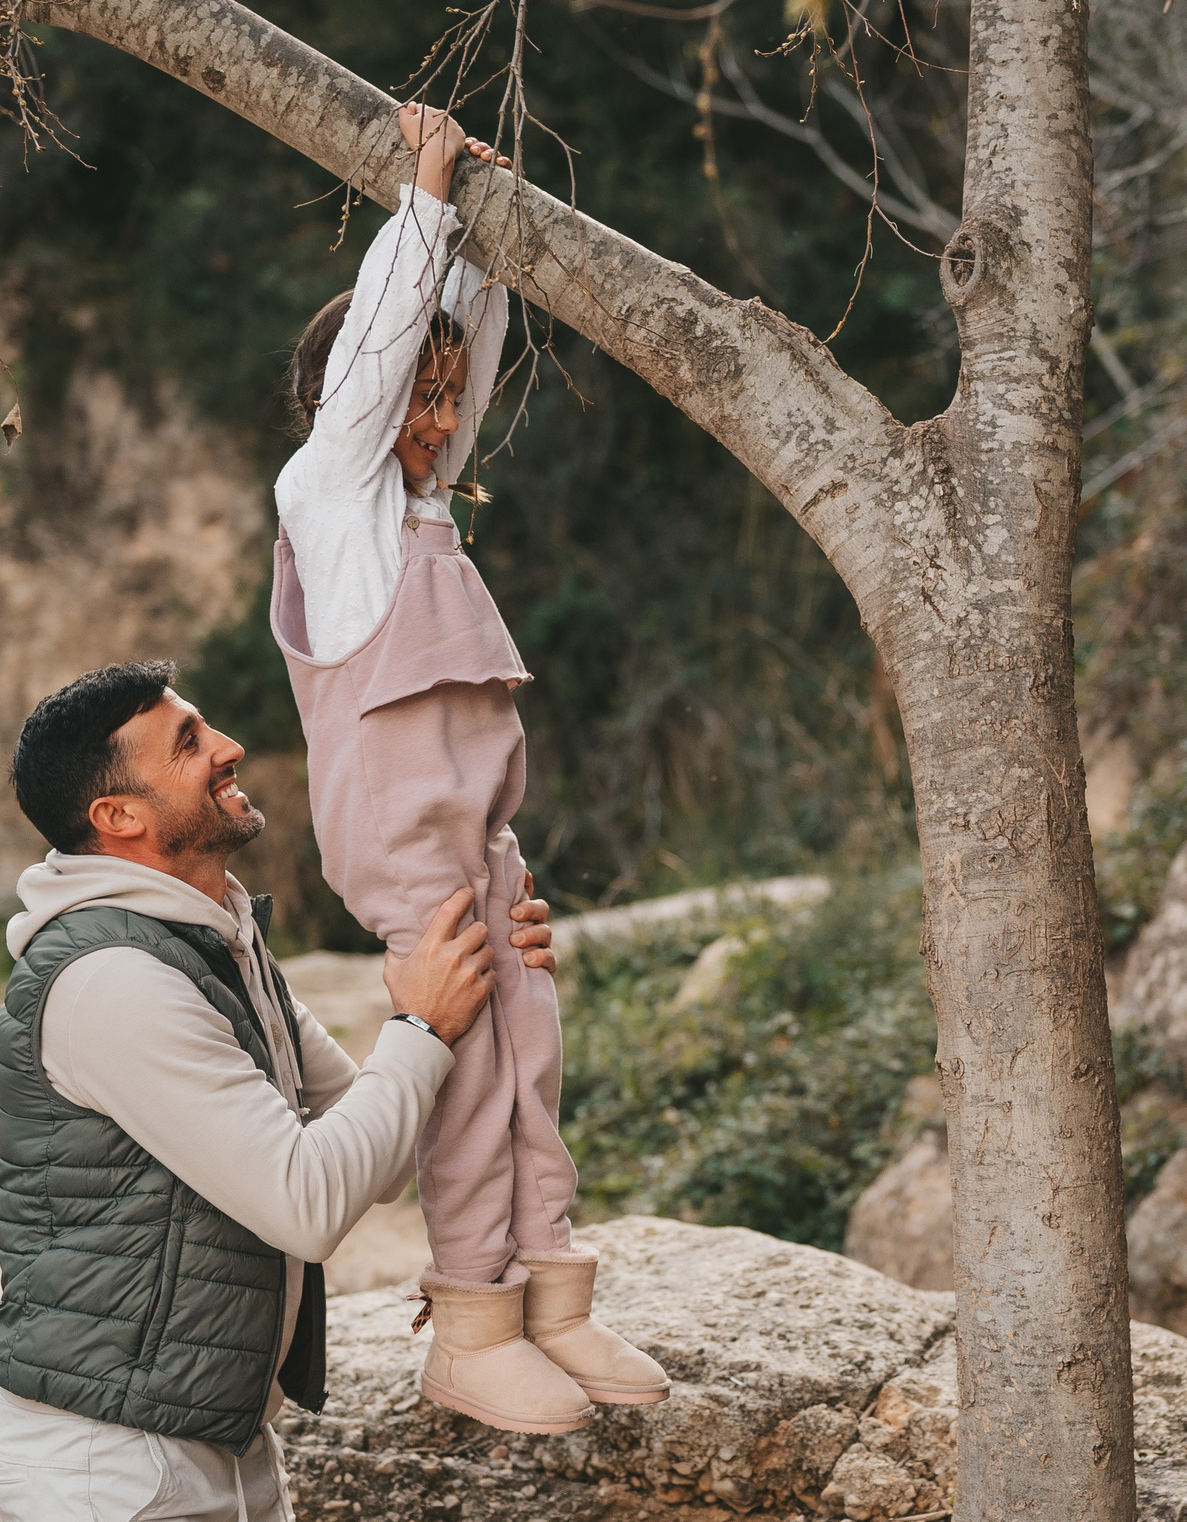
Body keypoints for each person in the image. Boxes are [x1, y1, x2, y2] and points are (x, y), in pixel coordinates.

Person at [0, 660, 559, 1522]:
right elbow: (310, 1198)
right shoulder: (113, 982)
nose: (228, 747)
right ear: (119, 815)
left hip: (228, 1446)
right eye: (189, 743)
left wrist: (494, 985)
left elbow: (365, 1133)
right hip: (125, 1475)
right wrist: (421, 1024)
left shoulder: (215, 938)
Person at [269, 105, 669, 1434]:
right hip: (399, 838)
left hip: (477, 834)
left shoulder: (427, 513)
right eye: (416, 399)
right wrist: (423, 200)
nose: (437, 419)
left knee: (529, 1042)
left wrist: (486, 260)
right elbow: (381, 359)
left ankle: (550, 1293)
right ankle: (469, 1314)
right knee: (466, 1065)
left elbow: (458, 362)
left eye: (448, 400)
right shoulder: (330, 498)